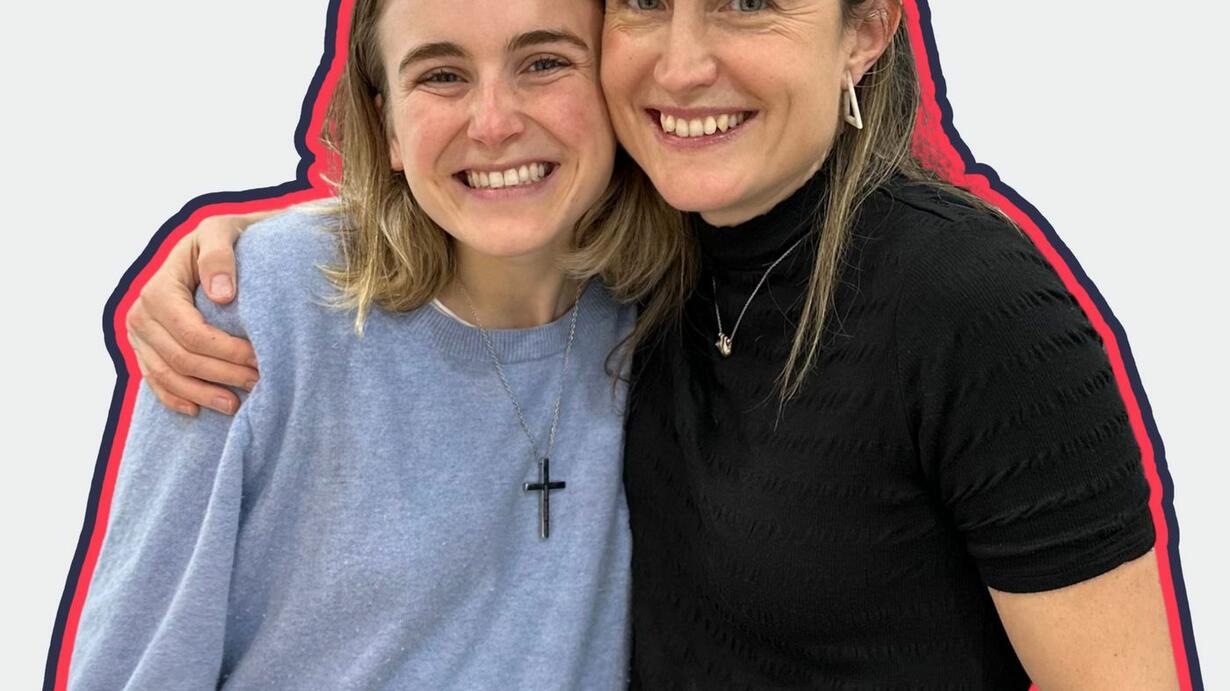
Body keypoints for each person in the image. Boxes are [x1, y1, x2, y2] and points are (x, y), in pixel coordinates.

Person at [124, 0, 1181, 687]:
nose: (681, 66)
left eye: (748, 1)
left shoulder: (971, 302)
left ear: (864, 32)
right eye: (641, 2)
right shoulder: (655, 263)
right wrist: (267, 255)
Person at [67, 0, 690, 688]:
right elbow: (133, 667)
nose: (494, 123)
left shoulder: (668, 302)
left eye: (543, 63)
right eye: (441, 76)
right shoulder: (259, 308)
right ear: (387, 123)